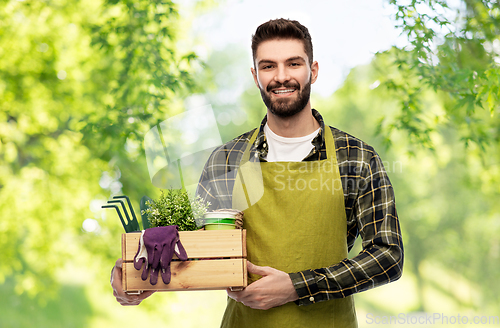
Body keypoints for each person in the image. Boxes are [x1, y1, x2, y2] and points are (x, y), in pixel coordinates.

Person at [110, 18, 403, 327]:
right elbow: (193, 250)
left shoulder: (355, 157)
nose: (281, 76)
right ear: (255, 76)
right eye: (268, 66)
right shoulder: (228, 159)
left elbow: (387, 256)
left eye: (293, 64)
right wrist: (136, 270)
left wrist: (297, 287)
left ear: (312, 71)